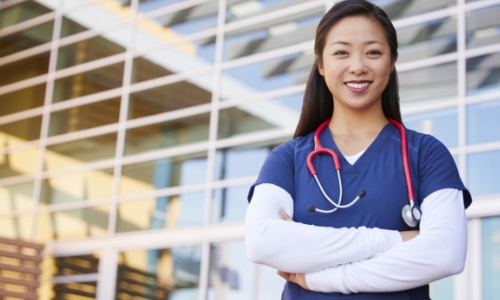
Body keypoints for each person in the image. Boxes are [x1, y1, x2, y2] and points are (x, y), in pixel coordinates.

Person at [244, 1, 472, 299]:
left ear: (392, 61)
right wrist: (397, 240)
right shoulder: (288, 158)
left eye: (373, 52)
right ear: (321, 65)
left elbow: (446, 253)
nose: (358, 66)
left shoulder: (425, 154)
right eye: (341, 52)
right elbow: (262, 242)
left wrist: (321, 279)